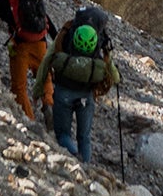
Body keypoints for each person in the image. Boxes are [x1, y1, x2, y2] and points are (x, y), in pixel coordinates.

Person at [33, 18, 119, 164]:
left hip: (63, 94)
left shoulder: (65, 38)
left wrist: (38, 89)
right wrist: (109, 57)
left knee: (62, 134)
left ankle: (73, 155)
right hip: (87, 97)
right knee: (84, 137)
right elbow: (115, 78)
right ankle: (86, 168)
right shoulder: (99, 53)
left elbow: (47, 60)